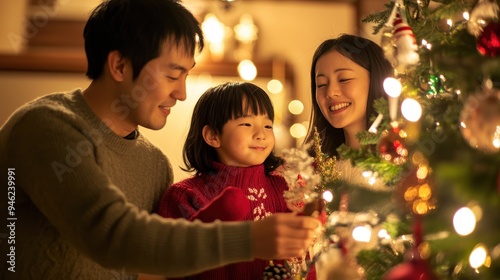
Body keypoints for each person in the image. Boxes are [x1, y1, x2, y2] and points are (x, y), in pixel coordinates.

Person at [0, 1, 319, 279]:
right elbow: (113, 235)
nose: (181, 93)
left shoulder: (154, 164)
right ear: (120, 65)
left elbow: (155, 264)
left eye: (186, 76)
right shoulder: (46, 126)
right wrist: (249, 239)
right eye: (171, 75)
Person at [154, 82, 291, 279]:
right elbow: (169, 263)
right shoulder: (185, 196)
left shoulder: (284, 189)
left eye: (268, 125)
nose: (261, 134)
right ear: (212, 136)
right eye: (246, 124)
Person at [304, 34, 394, 157]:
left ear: (377, 80)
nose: (330, 92)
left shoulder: (406, 161)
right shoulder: (311, 170)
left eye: (344, 79)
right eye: (321, 84)